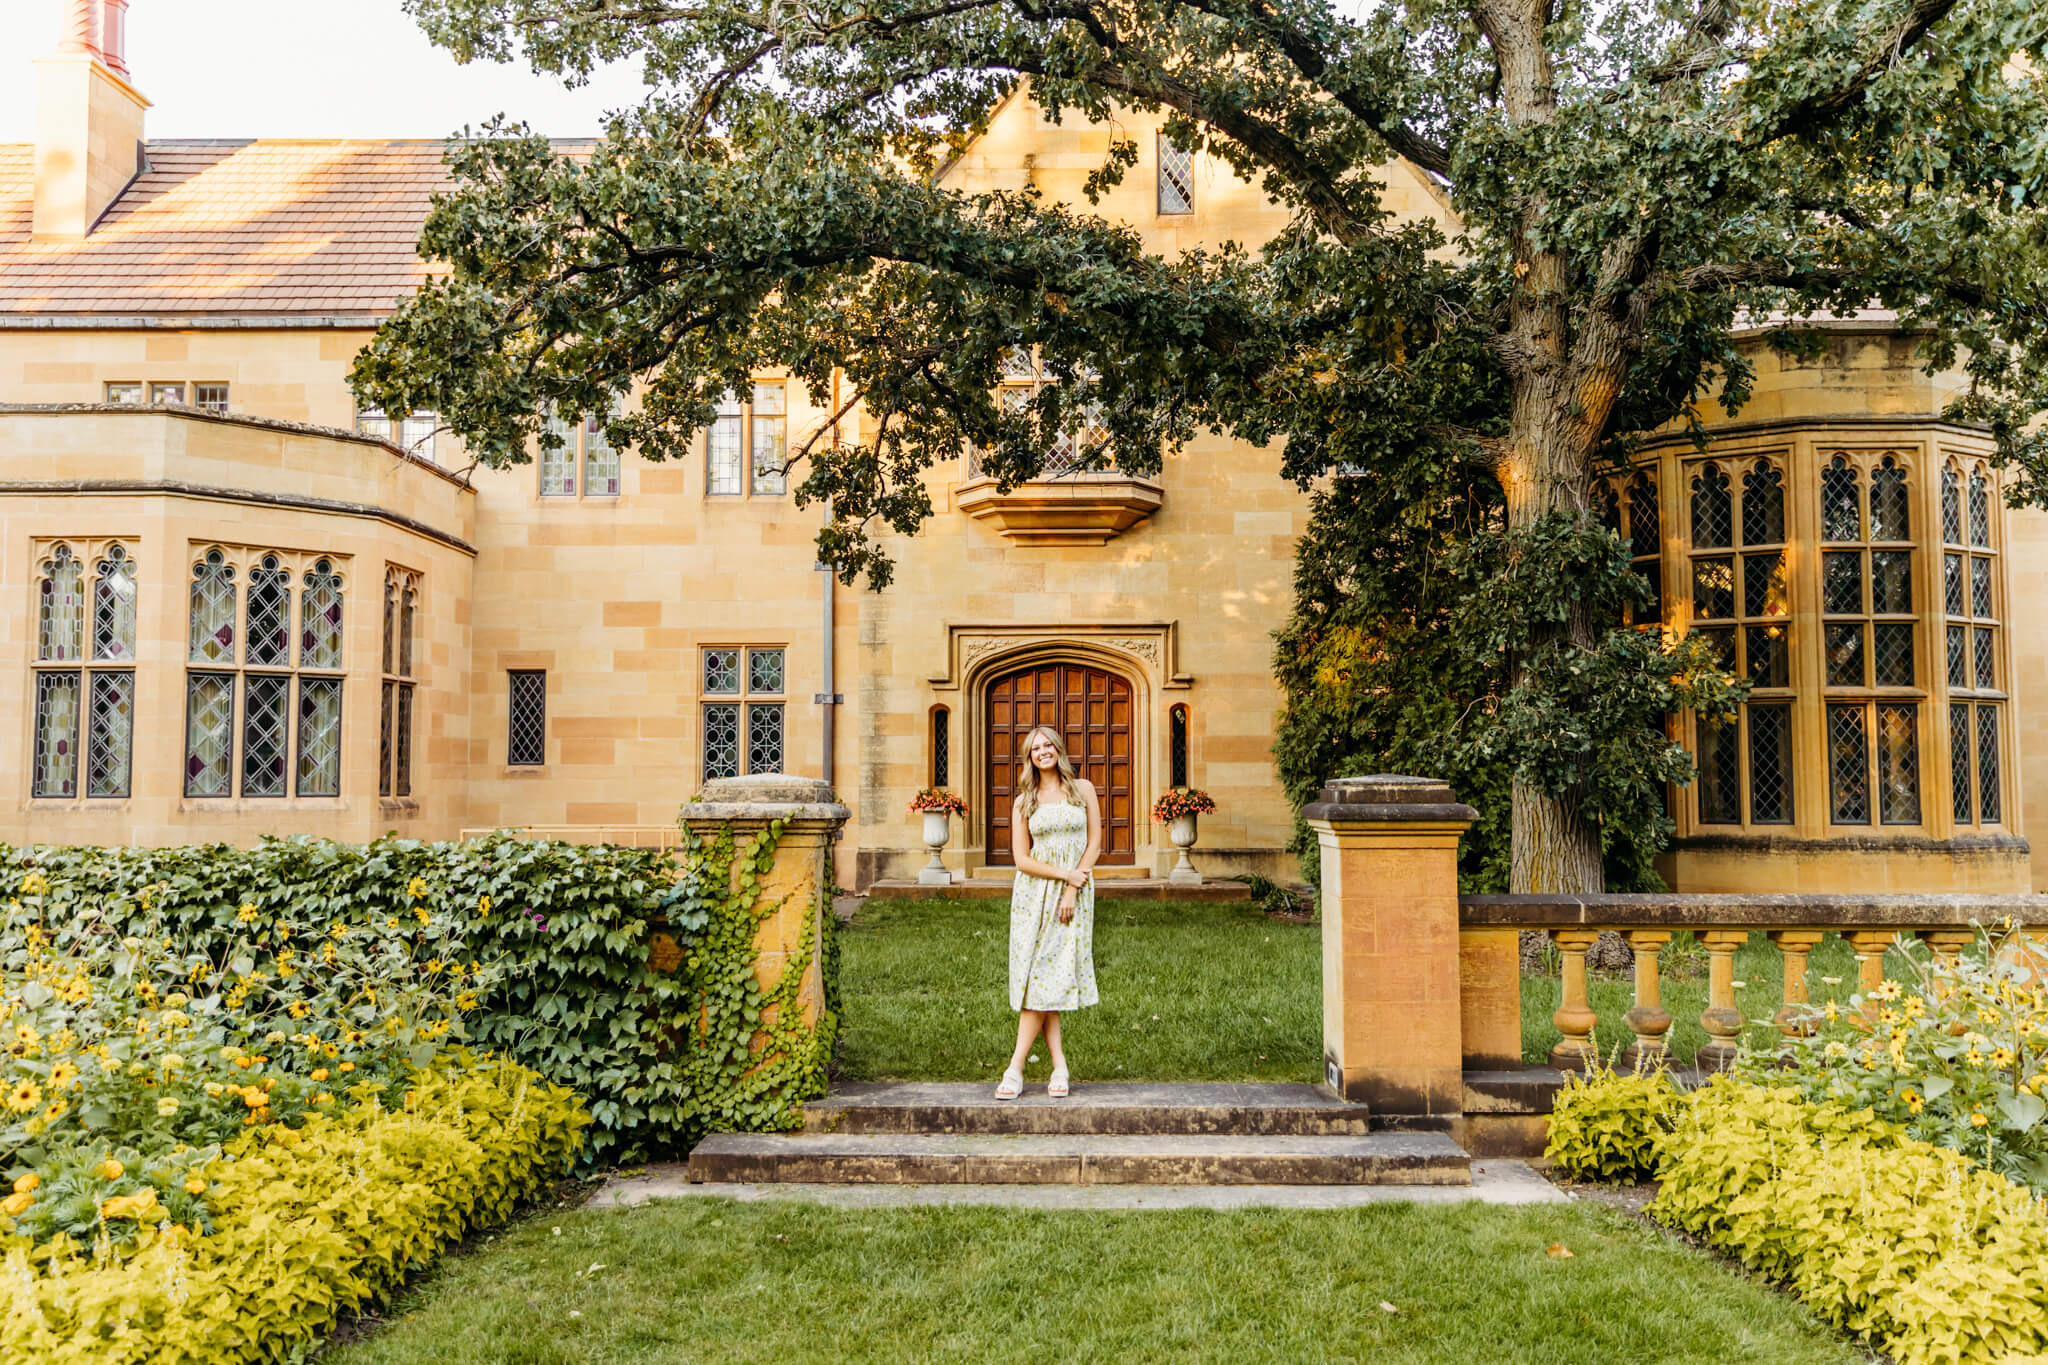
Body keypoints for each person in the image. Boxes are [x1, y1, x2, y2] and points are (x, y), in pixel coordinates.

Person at [998, 724, 1101, 1099]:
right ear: (1029, 757)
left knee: (1045, 979)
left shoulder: (1083, 789)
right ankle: (1057, 1066)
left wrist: (1072, 886)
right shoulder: (1025, 801)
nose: (1043, 752)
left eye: (1048, 745)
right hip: (1033, 896)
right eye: (1035, 748)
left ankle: (1016, 1068)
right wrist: (1062, 874)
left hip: (1072, 897)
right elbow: (1021, 859)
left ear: (1058, 749)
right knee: (1041, 979)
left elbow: (1094, 843)